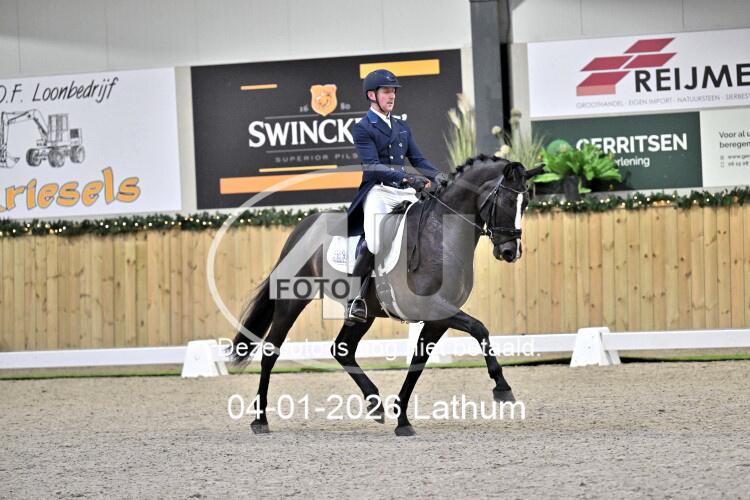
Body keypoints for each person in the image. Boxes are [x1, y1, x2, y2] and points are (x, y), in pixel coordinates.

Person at [344, 68, 446, 324]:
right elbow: (372, 166)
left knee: (426, 229)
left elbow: (418, 159)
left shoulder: (401, 126)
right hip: (379, 191)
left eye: (393, 92)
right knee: (374, 242)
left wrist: (438, 175)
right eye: (386, 92)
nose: (392, 96)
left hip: (403, 192)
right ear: (372, 95)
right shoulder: (362, 128)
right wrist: (406, 179)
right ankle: (354, 299)